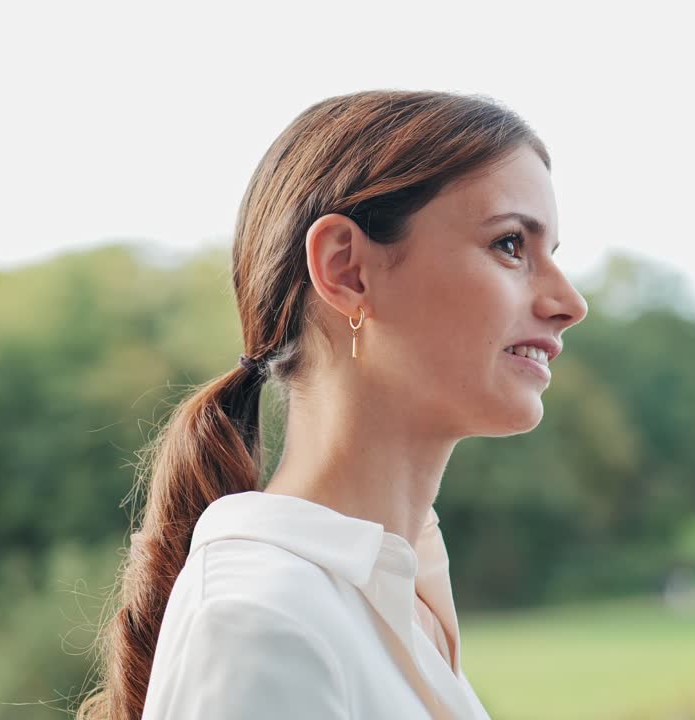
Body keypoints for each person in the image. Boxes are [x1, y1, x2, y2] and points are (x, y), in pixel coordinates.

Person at [74, 89, 589, 719]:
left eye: (551, 255)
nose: (569, 302)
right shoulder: (259, 621)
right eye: (511, 245)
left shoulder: (395, 602)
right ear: (345, 270)